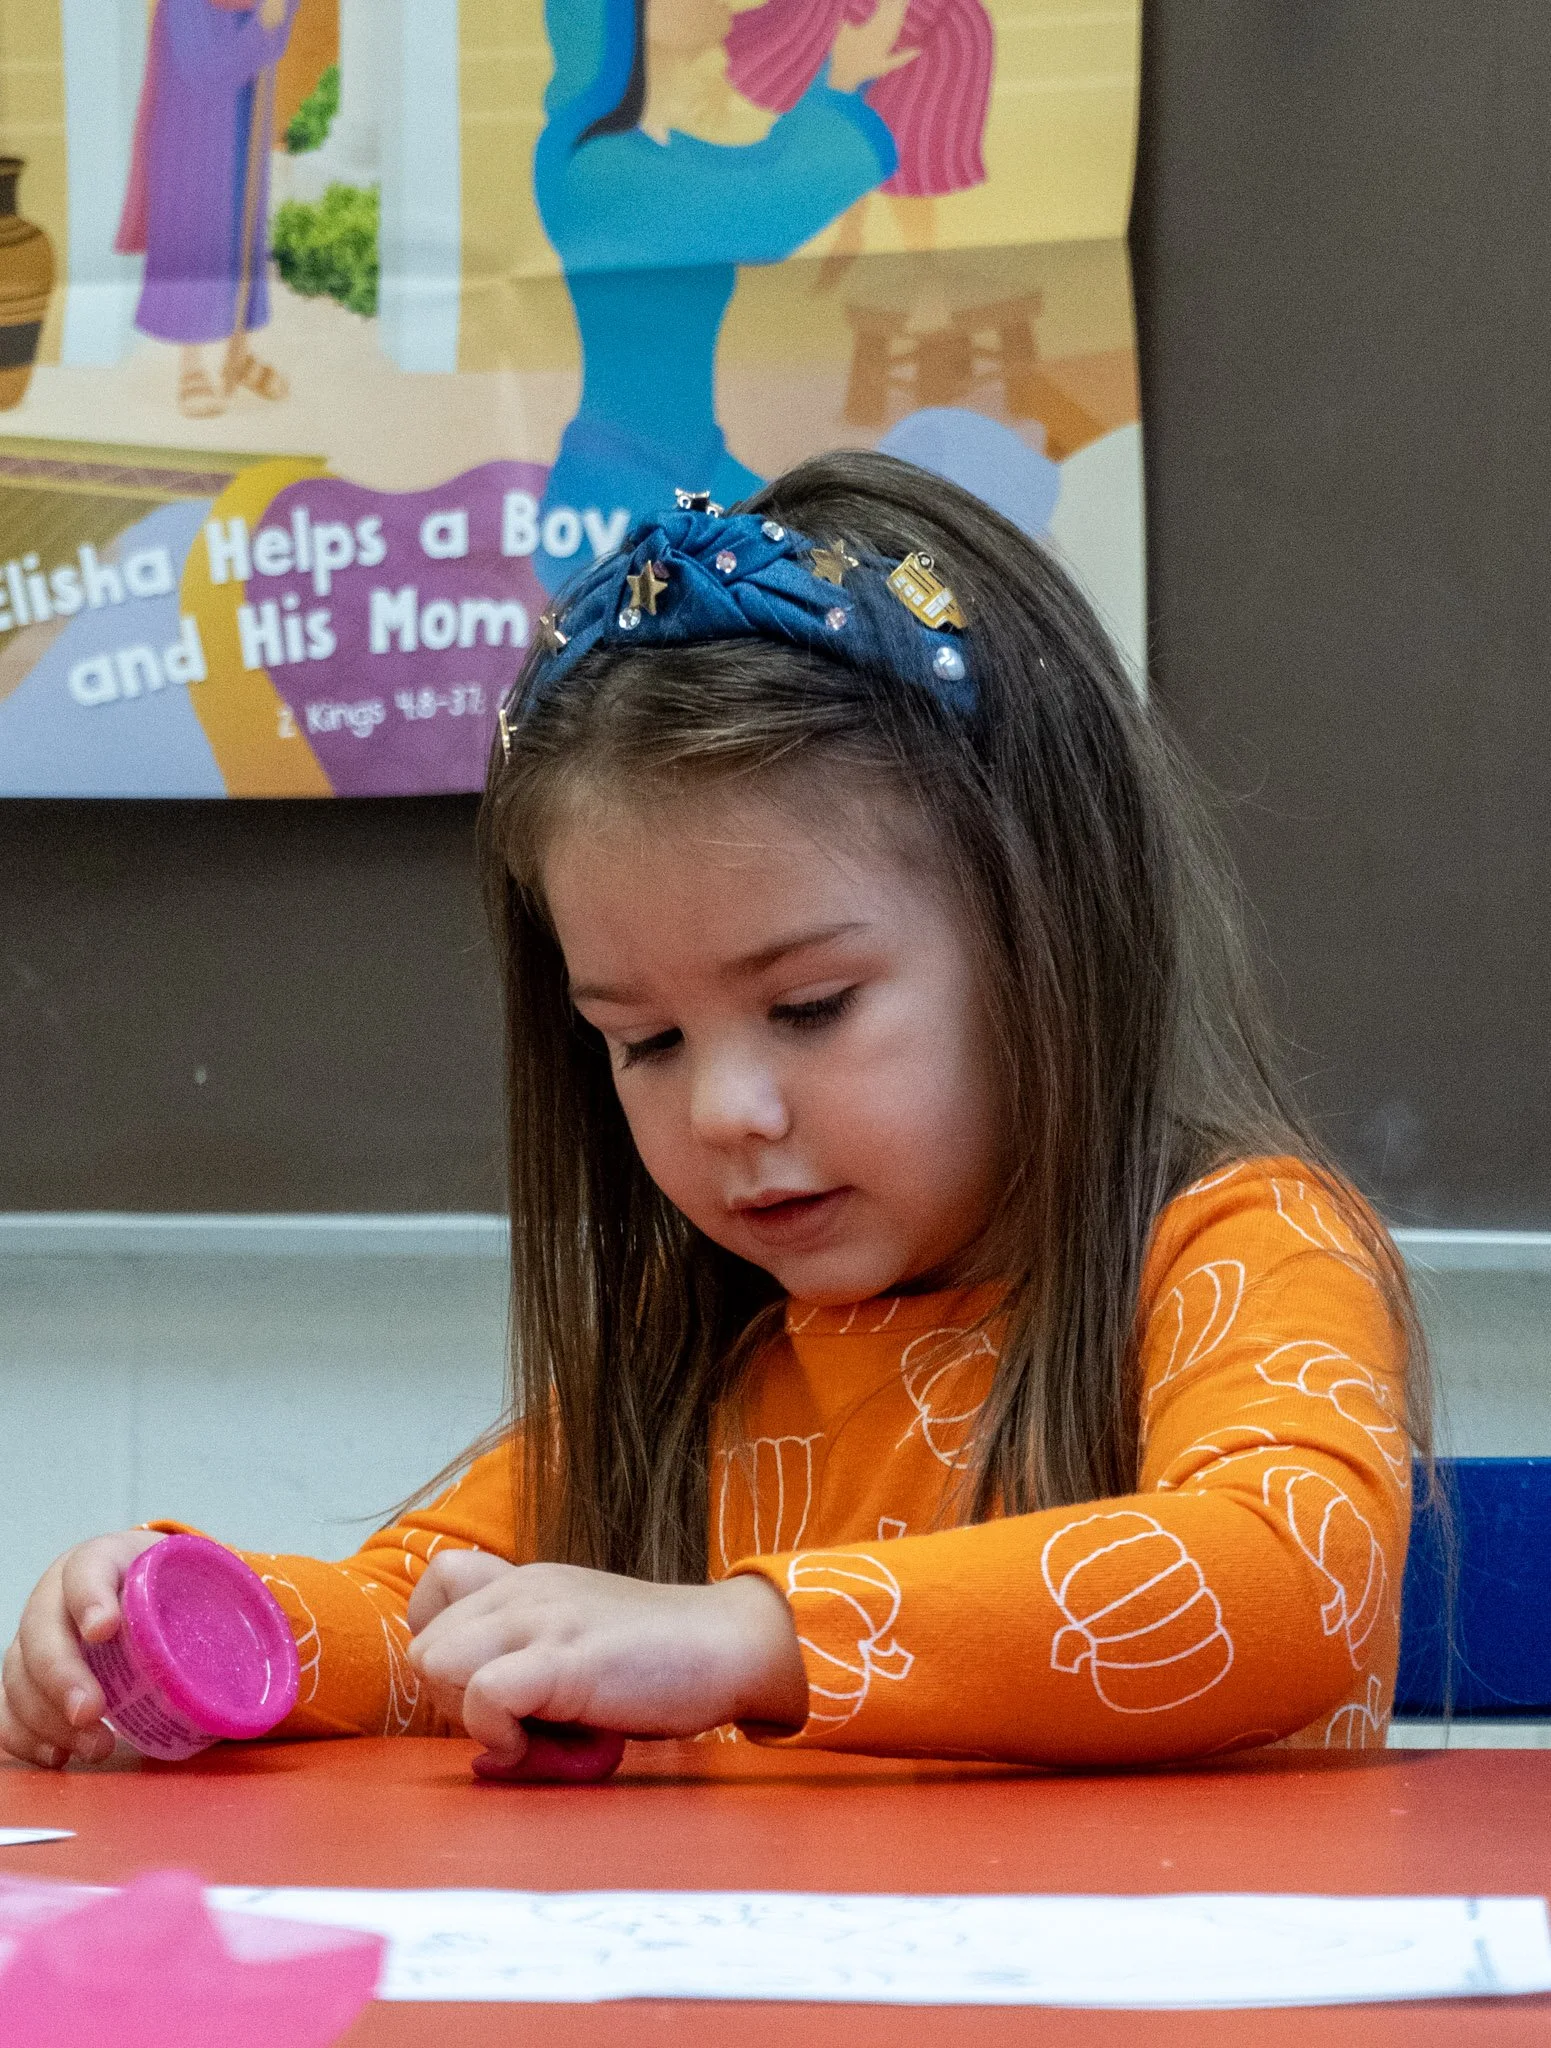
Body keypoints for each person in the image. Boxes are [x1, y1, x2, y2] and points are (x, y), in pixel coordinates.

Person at [0, 452, 1428, 1776]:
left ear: (1048, 931)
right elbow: (400, 1625)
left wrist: (737, 1639)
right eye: (645, 1042)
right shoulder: (698, 1368)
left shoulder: (1240, 1250)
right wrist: (165, 1622)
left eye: (809, 1008)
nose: (728, 1110)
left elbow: (1285, 1575)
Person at [530, 0, 905, 589]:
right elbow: (765, 209)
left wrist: (836, 85)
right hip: (624, 495)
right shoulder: (594, 164)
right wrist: (837, 84)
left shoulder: (651, 153)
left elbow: (759, 176)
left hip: (685, 476)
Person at [115, 0, 298, 420]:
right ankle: (191, 365)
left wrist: (274, 15)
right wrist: (262, 28)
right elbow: (206, 70)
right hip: (192, 121)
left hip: (247, 110)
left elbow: (278, 24)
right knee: (195, 228)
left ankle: (238, 354)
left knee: (242, 226)